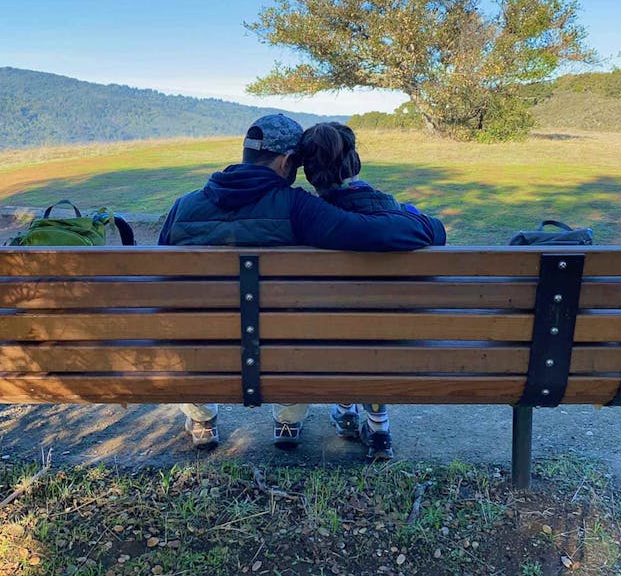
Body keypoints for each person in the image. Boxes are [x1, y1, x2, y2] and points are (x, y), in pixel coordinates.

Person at [158, 114, 446, 452]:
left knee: (189, 325)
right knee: (295, 329)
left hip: (200, 351)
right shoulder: (298, 208)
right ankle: (288, 418)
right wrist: (432, 228)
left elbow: (165, 284)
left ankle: (202, 417)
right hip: (282, 356)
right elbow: (374, 232)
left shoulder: (183, 207)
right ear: (285, 162)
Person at [296, 121, 424, 461]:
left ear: (309, 173)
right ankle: (378, 426)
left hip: (327, 339)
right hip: (390, 339)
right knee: (372, 330)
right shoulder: (397, 212)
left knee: (336, 327)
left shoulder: (306, 219)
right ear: (355, 162)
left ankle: (346, 408)